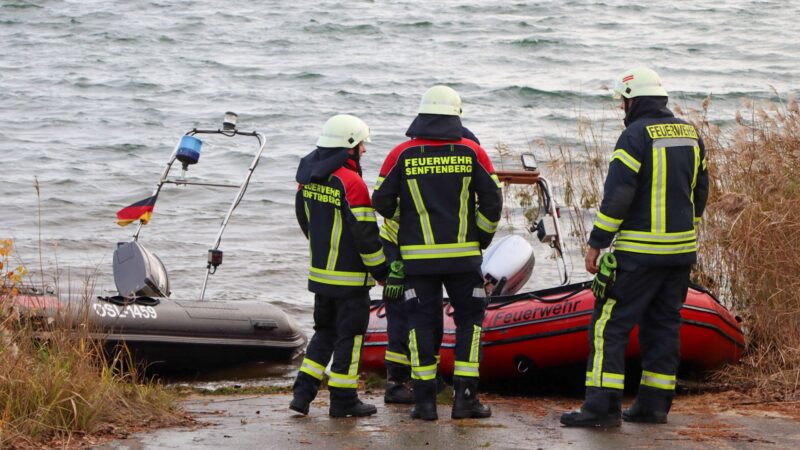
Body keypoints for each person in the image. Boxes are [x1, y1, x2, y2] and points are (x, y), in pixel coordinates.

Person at [560, 67, 709, 427]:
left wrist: (596, 244)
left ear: (634, 100)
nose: (621, 108)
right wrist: (686, 232)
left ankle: (600, 409)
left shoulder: (634, 136)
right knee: (664, 326)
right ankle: (654, 407)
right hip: (679, 254)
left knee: (608, 326)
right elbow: (700, 191)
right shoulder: (691, 134)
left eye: (623, 101)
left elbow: (619, 196)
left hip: (639, 255)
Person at [372, 85, 503, 420]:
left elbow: (382, 202)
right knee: (470, 323)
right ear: (456, 116)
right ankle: (466, 400)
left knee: (420, 325)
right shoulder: (473, 153)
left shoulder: (400, 154)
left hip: (418, 260)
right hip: (463, 259)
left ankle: (425, 404)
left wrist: (411, 221)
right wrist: (482, 237)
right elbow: (492, 201)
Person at [290, 114, 388, 418]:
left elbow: (304, 220)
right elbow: (367, 237)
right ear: (348, 147)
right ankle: (344, 399)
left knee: (324, 334)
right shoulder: (352, 183)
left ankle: (302, 395)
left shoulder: (306, 177)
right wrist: (382, 272)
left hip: (321, 276)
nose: (365, 151)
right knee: (350, 338)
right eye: (361, 145)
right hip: (349, 282)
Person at [380, 128, 483, 405]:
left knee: (429, 323)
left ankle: (426, 383)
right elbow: (392, 220)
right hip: (400, 250)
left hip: (419, 254)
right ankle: (397, 382)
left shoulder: (445, 180)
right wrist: (393, 269)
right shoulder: (437, 178)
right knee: (404, 317)